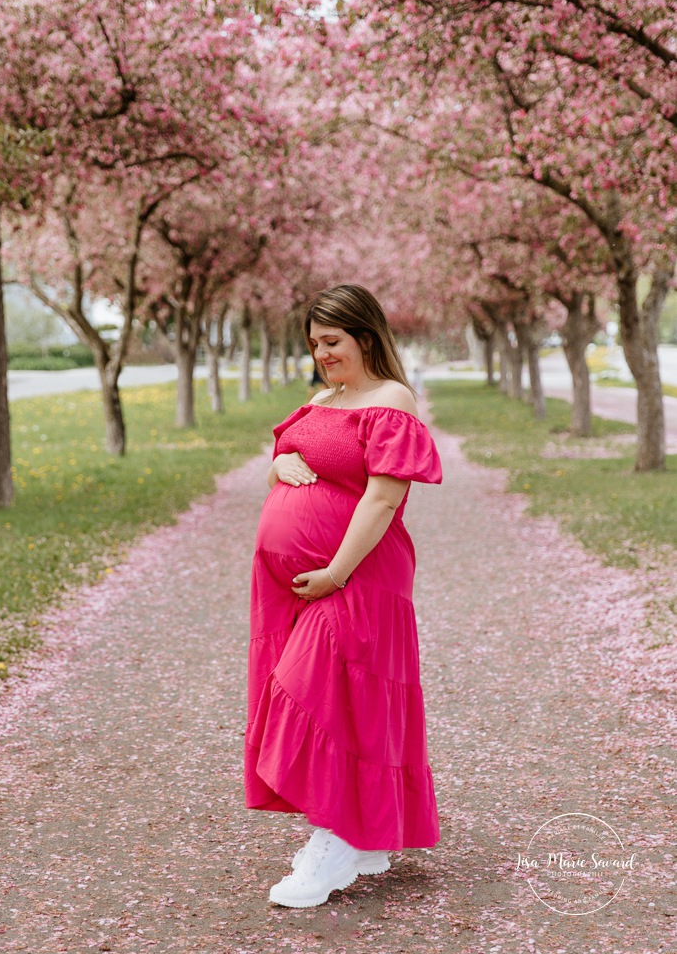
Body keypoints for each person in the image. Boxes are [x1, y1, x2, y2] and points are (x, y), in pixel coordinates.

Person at [244, 283, 442, 909]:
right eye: (313, 344)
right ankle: (361, 838)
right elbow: (285, 457)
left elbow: (383, 497)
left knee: (317, 697)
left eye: (332, 342)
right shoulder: (322, 398)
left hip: (359, 576)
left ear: (365, 335)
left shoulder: (391, 398)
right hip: (300, 585)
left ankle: (331, 842)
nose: (322, 354)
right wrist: (279, 468)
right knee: (342, 702)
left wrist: (334, 572)